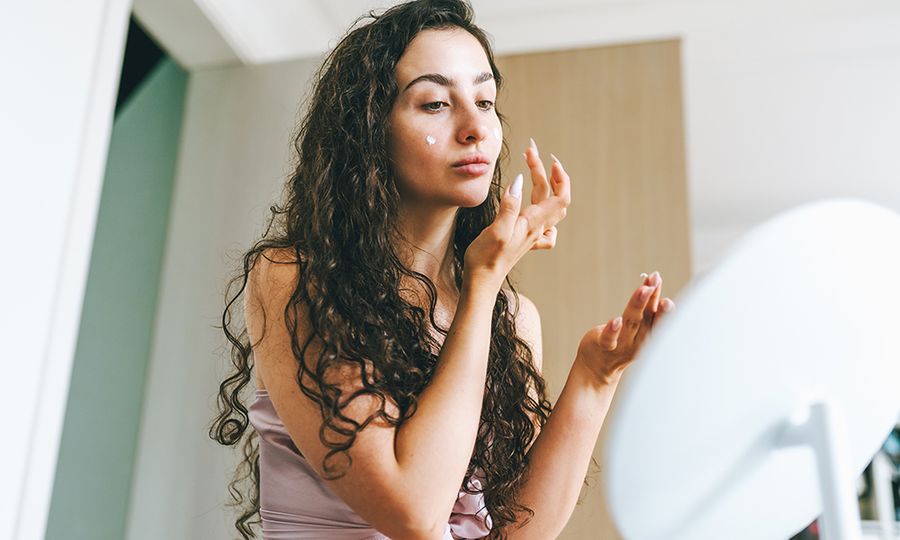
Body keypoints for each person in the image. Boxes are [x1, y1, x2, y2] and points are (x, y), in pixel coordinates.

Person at [208, 0, 676, 538]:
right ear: (368, 129)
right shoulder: (295, 278)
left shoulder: (512, 317)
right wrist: (482, 283)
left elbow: (515, 533)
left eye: (484, 99)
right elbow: (411, 511)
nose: (475, 127)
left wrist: (596, 376)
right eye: (434, 104)